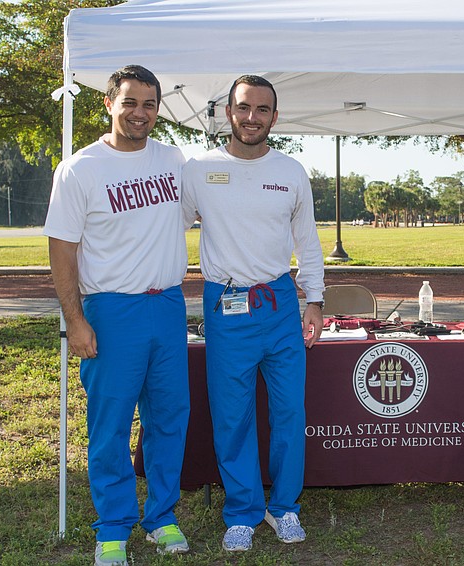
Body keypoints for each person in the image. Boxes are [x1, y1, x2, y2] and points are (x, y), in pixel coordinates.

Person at [44, 65, 190, 565]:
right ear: (108, 103)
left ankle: (162, 517)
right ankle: (112, 529)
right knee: (110, 426)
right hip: (111, 309)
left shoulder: (174, 160)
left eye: (149, 104)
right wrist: (75, 319)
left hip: (167, 304)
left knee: (168, 419)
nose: (139, 113)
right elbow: (62, 249)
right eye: (129, 102)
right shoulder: (80, 169)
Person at [181, 75, 325, 552]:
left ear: (275, 117)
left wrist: (315, 300)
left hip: (280, 304)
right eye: (243, 107)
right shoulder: (199, 169)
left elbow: (307, 241)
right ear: (228, 112)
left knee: (289, 411)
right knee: (232, 415)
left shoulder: (291, 171)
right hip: (226, 306)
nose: (251, 117)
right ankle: (242, 511)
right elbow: (170, 225)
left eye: (262, 110)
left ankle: (284, 508)